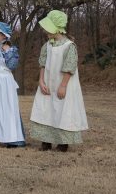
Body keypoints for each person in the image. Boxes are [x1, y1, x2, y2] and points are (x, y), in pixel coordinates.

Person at [30, 10, 88, 152]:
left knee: (63, 110)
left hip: (63, 84)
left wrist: (63, 86)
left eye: (48, 28)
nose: (45, 31)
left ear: (57, 27)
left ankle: (63, 142)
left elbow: (69, 68)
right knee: (45, 110)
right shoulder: (47, 45)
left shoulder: (69, 46)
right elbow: (43, 64)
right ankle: (46, 141)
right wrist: (41, 81)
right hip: (48, 83)